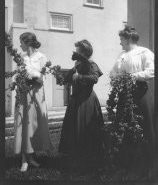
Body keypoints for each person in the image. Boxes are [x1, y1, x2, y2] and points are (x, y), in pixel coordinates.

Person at [110, 25, 156, 176]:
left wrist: (132, 77)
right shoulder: (122, 55)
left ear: (129, 39)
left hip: (140, 94)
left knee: (144, 126)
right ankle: (125, 162)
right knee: (123, 125)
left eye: (122, 40)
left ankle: (149, 164)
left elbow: (151, 72)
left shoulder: (144, 52)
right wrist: (116, 77)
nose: (120, 43)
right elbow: (113, 71)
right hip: (125, 94)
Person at [59, 39, 104, 161]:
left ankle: (88, 154)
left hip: (87, 99)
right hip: (76, 98)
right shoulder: (78, 64)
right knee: (73, 126)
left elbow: (95, 78)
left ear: (84, 52)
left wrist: (80, 77)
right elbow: (69, 78)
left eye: (78, 50)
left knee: (85, 125)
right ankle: (75, 153)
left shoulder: (91, 64)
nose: (76, 52)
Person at [14, 32, 52, 172]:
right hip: (23, 94)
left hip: (36, 94)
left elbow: (41, 79)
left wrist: (30, 75)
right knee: (23, 124)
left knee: (35, 124)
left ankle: (32, 156)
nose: (20, 45)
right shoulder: (21, 57)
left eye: (21, 42)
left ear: (28, 42)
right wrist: (23, 76)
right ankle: (24, 159)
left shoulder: (42, 57)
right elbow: (18, 75)